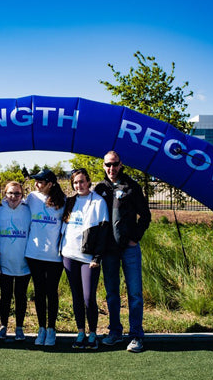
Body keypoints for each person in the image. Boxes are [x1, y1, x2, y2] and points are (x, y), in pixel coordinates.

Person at [94, 151, 151, 353]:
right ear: (103, 166)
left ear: (121, 164)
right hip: (109, 250)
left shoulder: (131, 187)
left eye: (115, 164)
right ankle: (115, 332)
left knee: (134, 293)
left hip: (129, 249)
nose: (112, 168)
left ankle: (136, 335)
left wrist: (135, 238)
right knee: (112, 294)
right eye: (108, 165)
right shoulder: (99, 188)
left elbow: (145, 216)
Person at [60, 168, 109, 350]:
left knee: (89, 298)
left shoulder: (98, 202)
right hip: (69, 255)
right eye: (75, 182)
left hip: (89, 259)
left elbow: (103, 231)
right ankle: (81, 332)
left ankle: (93, 334)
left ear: (88, 182)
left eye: (82, 181)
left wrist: (97, 256)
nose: (78, 185)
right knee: (77, 297)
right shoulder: (70, 202)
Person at [25, 169, 66, 346]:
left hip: (54, 257)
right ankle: (41, 328)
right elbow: (13, 202)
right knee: (39, 293)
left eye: (40, 182)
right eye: (36, 181)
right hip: (34, 254)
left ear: (51, 184)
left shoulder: (63, 201)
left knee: (52, 292)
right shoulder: (32, 198)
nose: (36, 184)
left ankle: (51, 329)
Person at [0, 181, 31, 341]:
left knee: (21, 296)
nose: (14, 197)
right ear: (5, 194)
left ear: (22, 195)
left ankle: (19, 328)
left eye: (17, 193)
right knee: (5, 296)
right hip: (4, 264)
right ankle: (3, 326)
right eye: (10, 193)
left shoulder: (27, 211)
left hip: (24, 263)